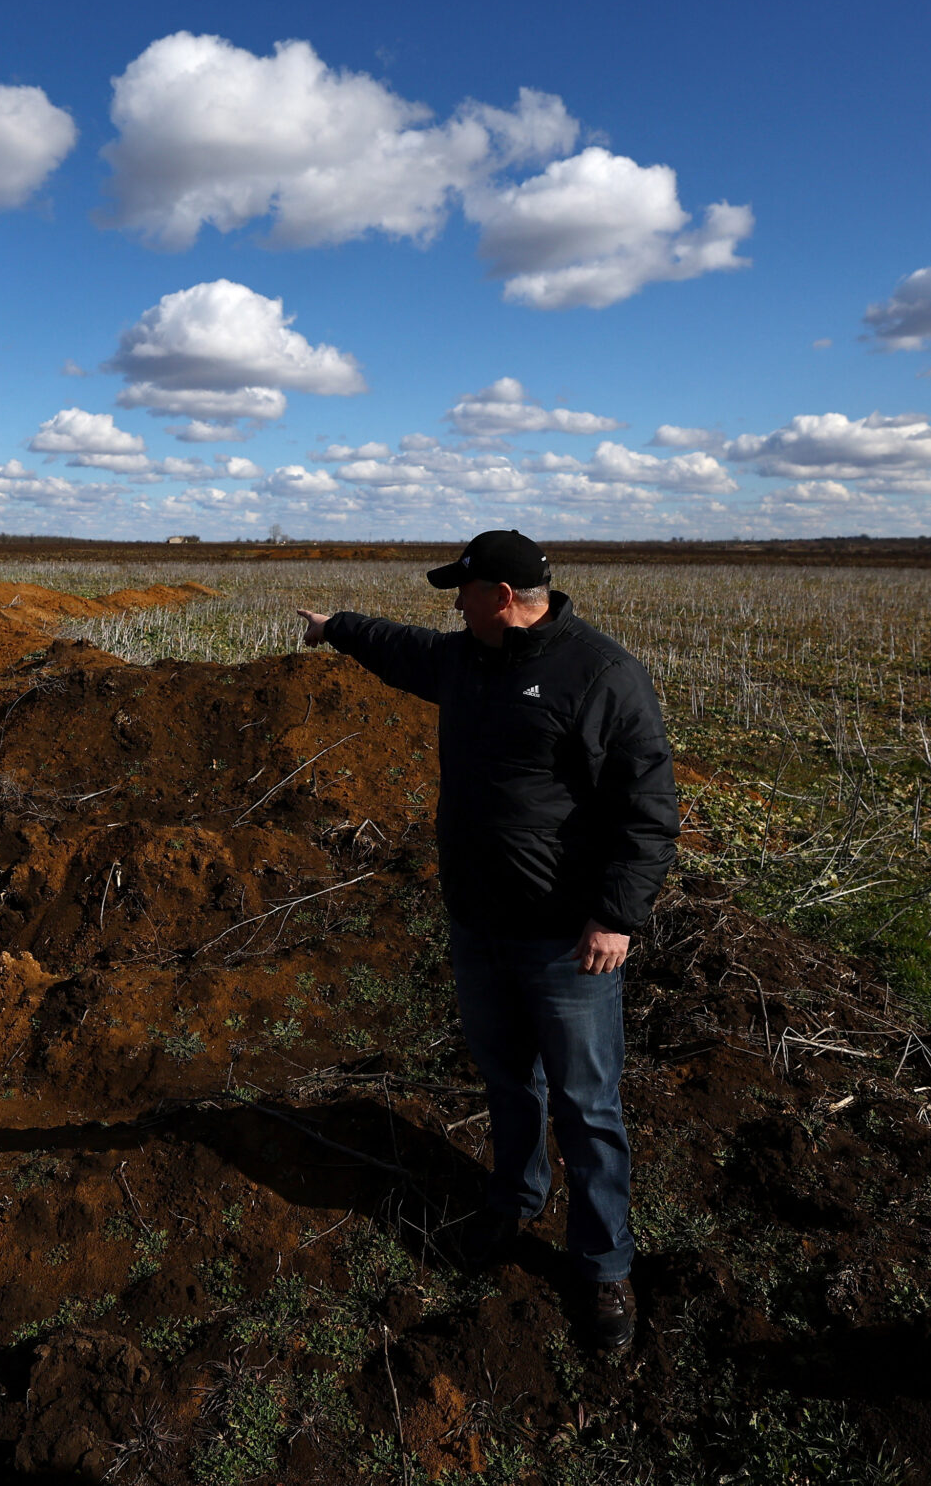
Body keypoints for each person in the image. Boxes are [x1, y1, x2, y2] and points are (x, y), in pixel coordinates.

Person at [297, 530, 677, 1352]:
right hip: (478, 923)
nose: (452, 607)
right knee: (508, 1080)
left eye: (462, 594)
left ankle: (604, 1265)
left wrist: (616, 915)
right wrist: (337, 627)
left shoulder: (601, 676)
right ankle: (513, 1199)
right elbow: (402, 650)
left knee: (588, 1105)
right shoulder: (466, 661)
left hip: (564, 942)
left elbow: (647, 811)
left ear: (501, 598)